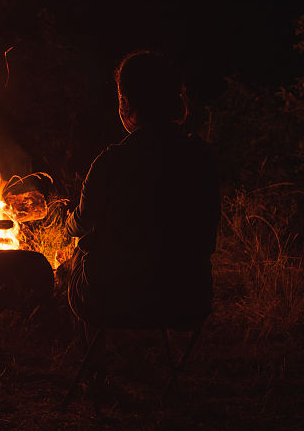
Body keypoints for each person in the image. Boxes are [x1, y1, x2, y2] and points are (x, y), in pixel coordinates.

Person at [65, 51, 220, 332]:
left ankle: (95, 364)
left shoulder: (111, 161)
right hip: (188, 300)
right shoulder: (202, 158)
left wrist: (68, 222)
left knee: (79, 251)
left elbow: (81, 223)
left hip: (113, 300)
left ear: (126, 103)